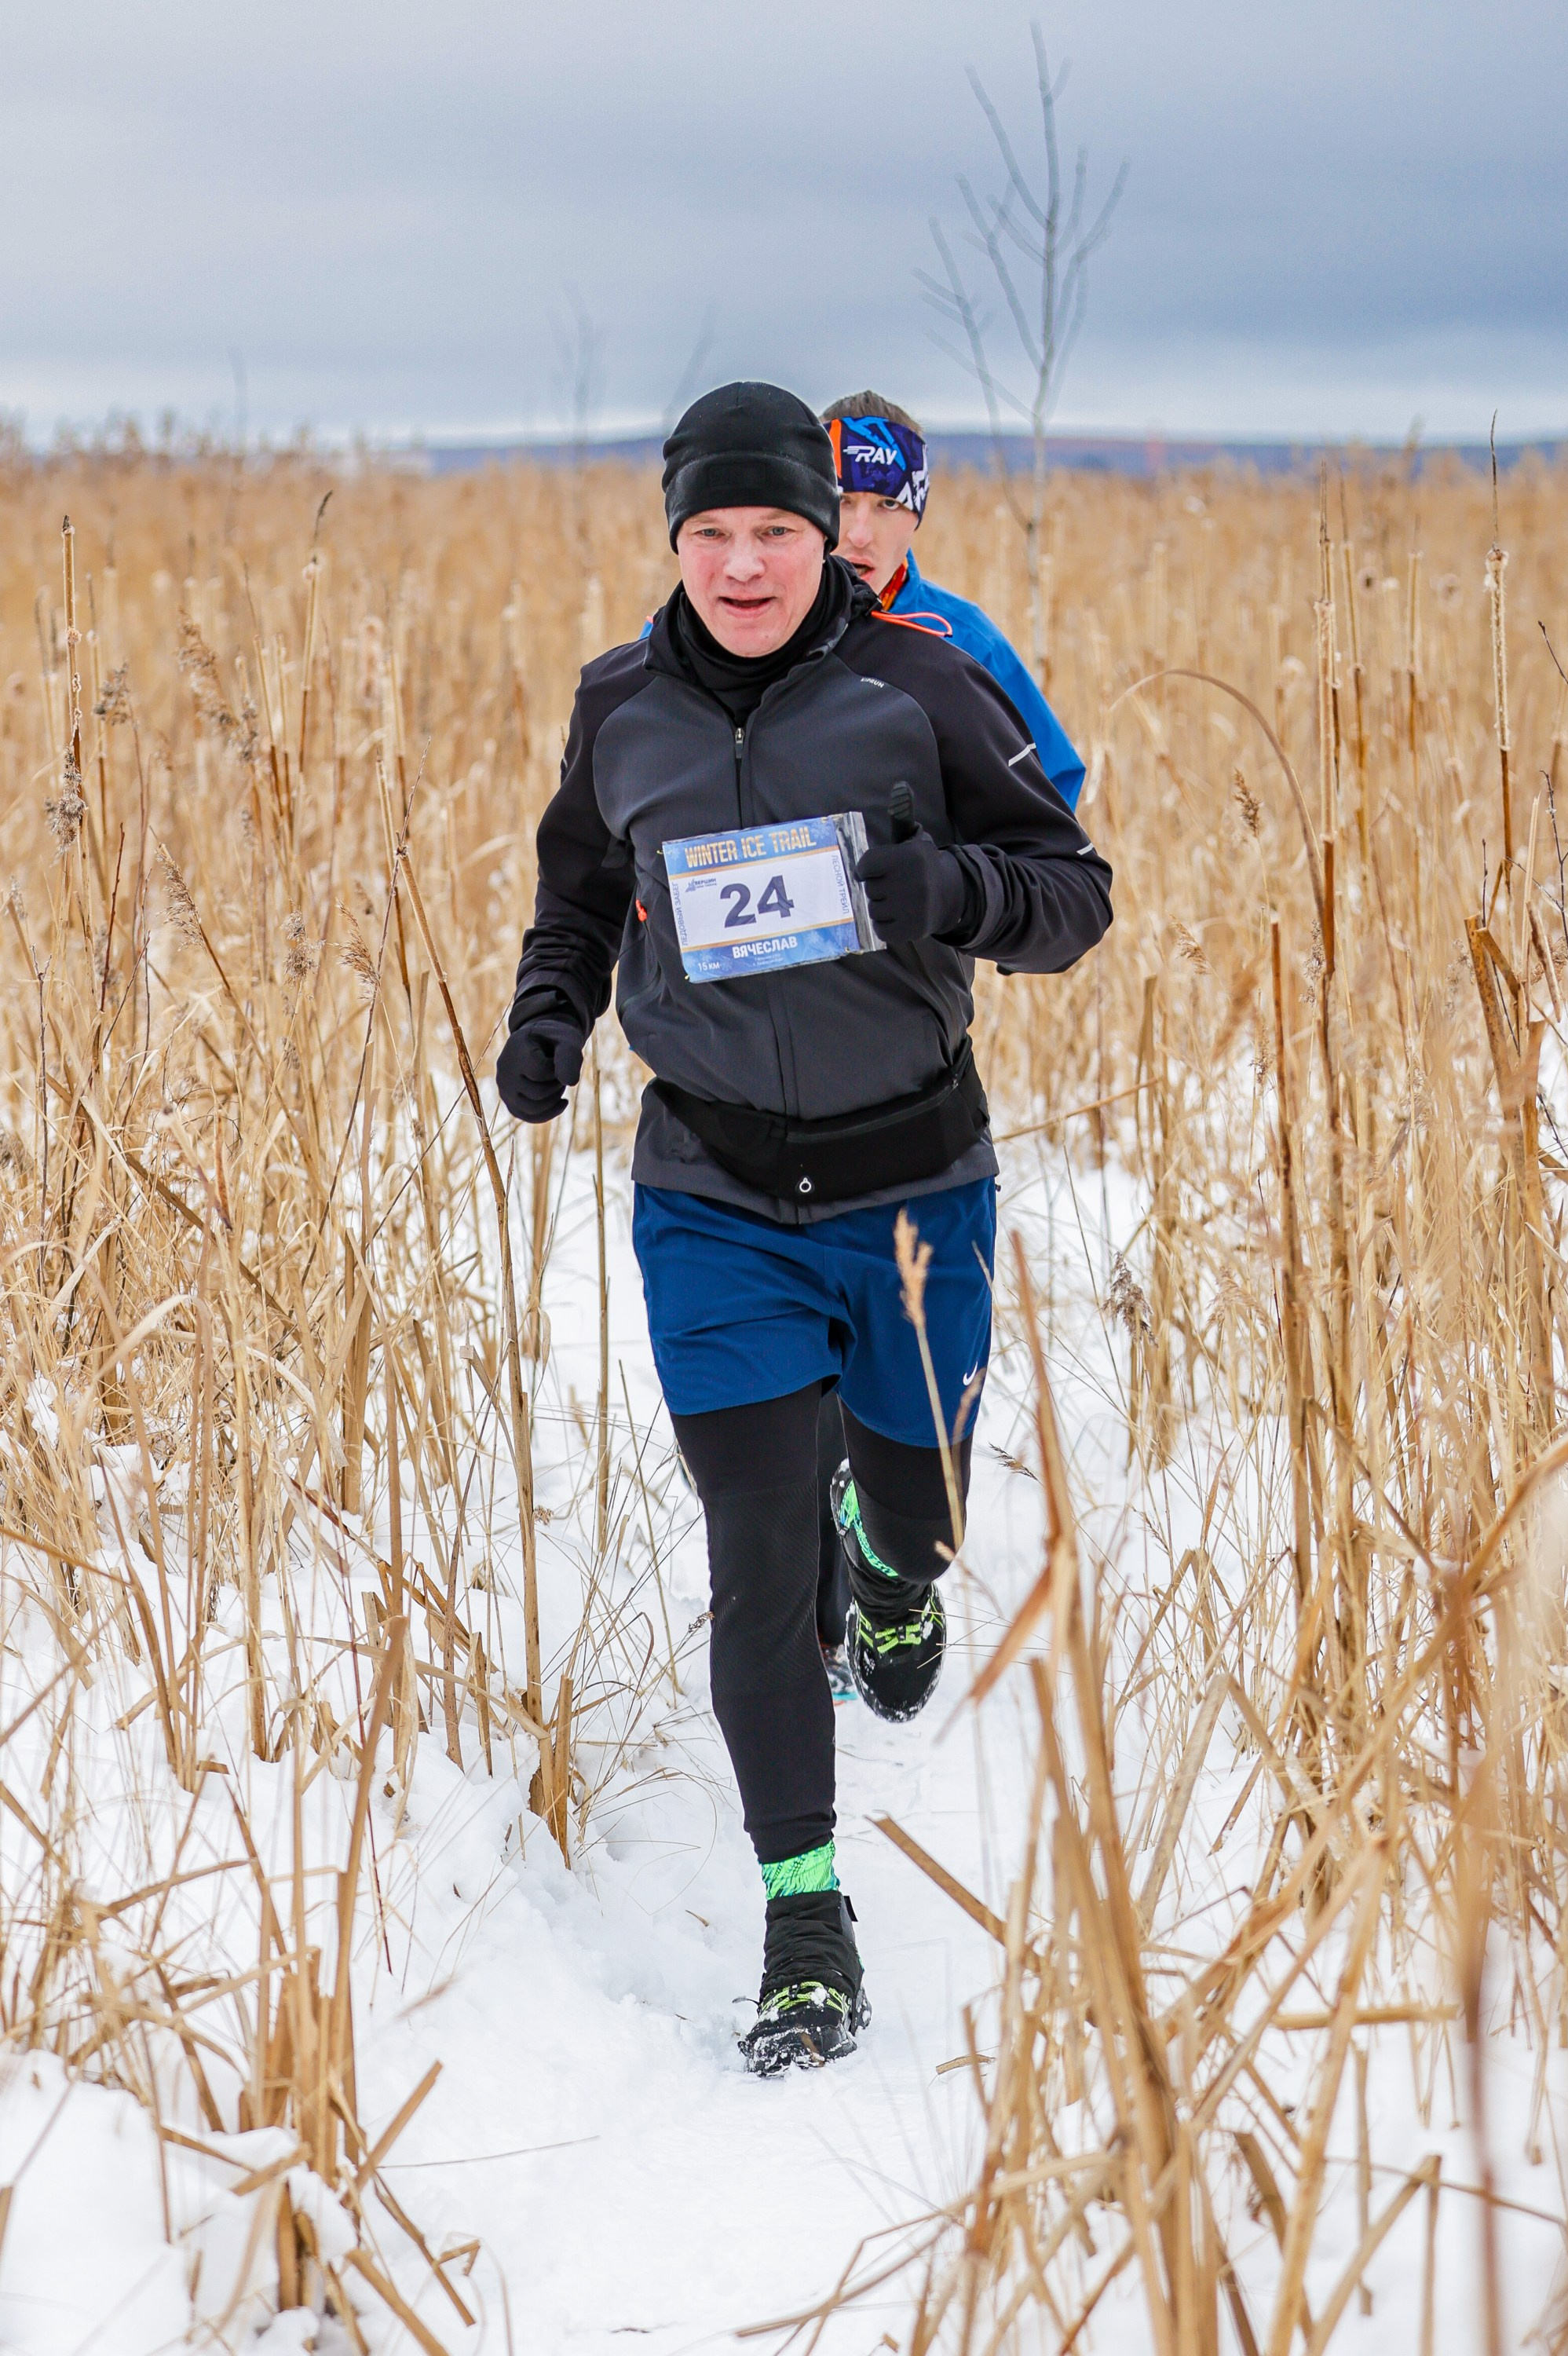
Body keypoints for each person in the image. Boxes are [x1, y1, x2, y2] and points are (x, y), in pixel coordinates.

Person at [496, 382, 1113, 2076]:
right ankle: (804, 1920)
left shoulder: (920, 685)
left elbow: (1073, 897)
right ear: (676, 539)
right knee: (755, 1559)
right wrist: (549, 1015)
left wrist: (956, 893)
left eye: (777, 528)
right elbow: (577, 888)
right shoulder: (620, 702)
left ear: (820, 536)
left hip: (913, 1189)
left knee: (904, 1512)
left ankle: (898, 1568)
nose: (748, 561)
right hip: (710, 1196)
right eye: (715, 532)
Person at [808, 392, 1086, 1692]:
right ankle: (812, 1530)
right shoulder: (737, 629)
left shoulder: (956, 640)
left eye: (881, 504)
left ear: (915, 509)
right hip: (754, 1033)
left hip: (910, 1026)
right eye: (833, 502)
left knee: (897, 1305)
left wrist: (953, 881)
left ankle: (891, 1555)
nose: (855, 530)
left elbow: (1054, 802)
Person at [822, 392, 1084, 808]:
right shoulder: (762, 626)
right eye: (842, 501)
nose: (859, 534)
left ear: (916, 518)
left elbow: (1051, 789)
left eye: (888, 504)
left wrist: (963, 869)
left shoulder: (965, 639)